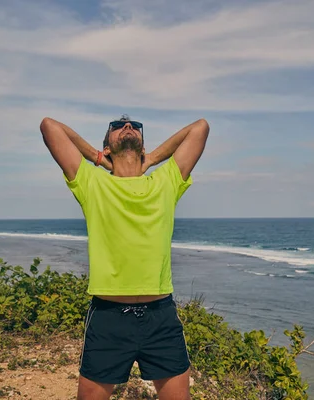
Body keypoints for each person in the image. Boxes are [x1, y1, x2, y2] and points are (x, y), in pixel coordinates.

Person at [40, 114, 209, 400]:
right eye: (117, 127)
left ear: (143, 146)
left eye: (135, 127)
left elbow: (200, 127)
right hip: (108, 318)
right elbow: (50, 127)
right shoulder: (91, 182)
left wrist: (152, 158)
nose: (127, 127)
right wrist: (98, 159)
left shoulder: (165, 181)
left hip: (161, 317)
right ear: (106, 147)